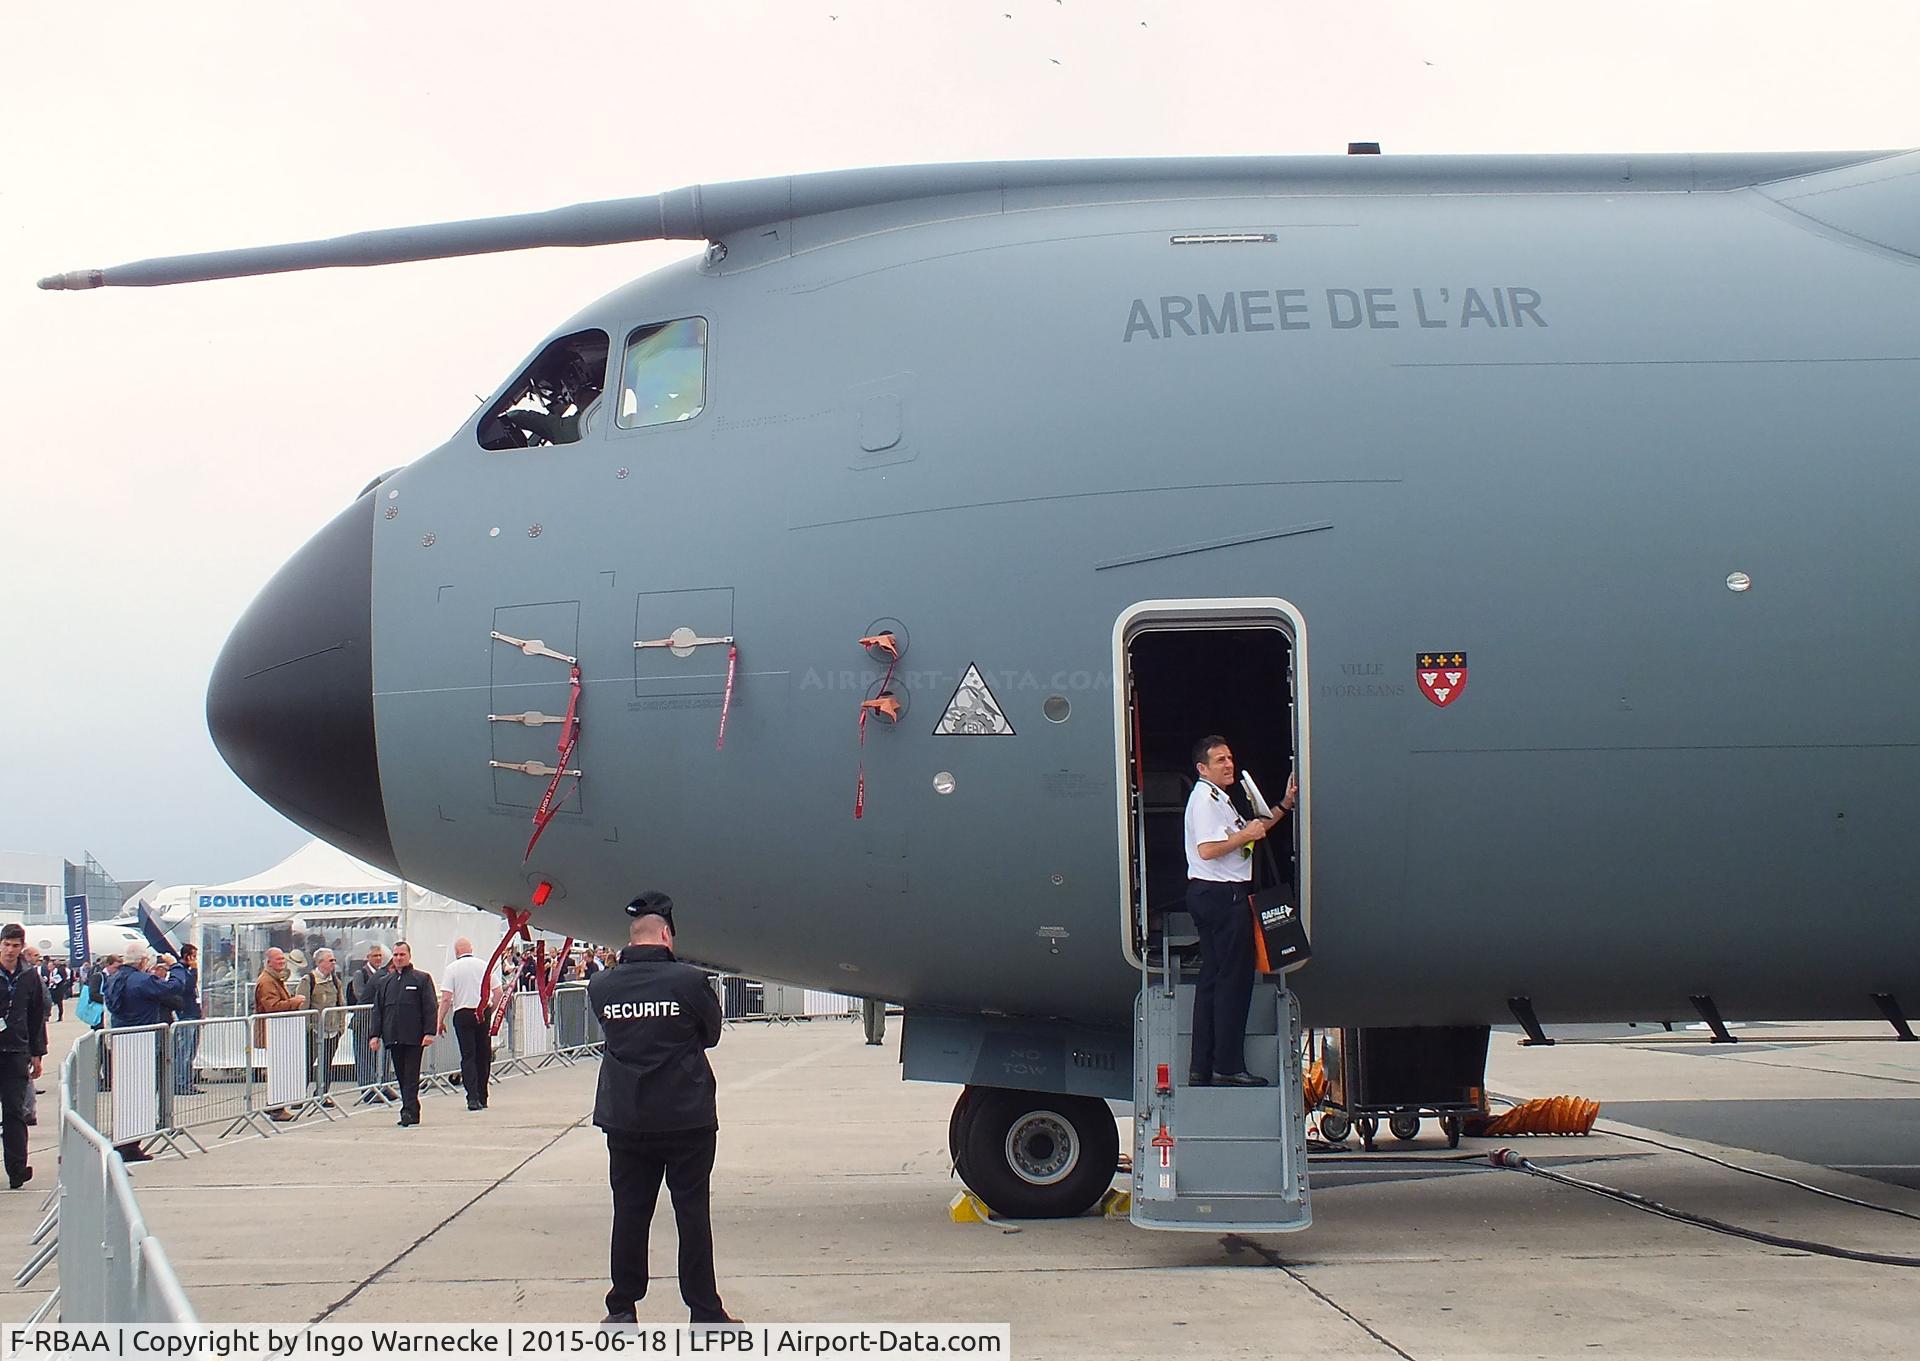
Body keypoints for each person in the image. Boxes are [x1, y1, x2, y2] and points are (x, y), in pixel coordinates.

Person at [589, 892, 737, 1327]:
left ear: (633, 937)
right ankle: (704, 1311)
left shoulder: (603, 985)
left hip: (626, 1116)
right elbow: (710, 1034)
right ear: (667, 934)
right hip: (684, 1115)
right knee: (692, 1214)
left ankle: (621, 1308)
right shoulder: (690, 982)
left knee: (630, 1213)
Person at [1183, 736, 1296, 1088]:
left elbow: (1253, 832)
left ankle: (1202, 1065)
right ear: (1203, 768)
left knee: (1213, 981)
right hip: (1222, 895)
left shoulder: (1217, 798)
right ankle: (1228, 1065)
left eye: (1230, 757)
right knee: (1234, 982)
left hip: (1212, 894)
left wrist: (1284, 806)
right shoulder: (1204, 800)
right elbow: (1208, 849)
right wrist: (1245, 833)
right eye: (1220, 760)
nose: (1228, 764)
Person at [104, 944, 188, 1162]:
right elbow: (174, 988)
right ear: (142, 960)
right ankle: (130, 1144)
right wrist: (176, 965)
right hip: (142, 1039)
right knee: (142, 1091)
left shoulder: (115, 978)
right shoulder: (141, 981)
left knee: (126, 1093)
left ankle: (126, 1140)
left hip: (122, 1038)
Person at [368, 941, 437, 1127]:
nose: (399, 958)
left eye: (402, 955)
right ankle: (410, 1109)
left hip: (414, 1036)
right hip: (393, 1036)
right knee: (401, 1075)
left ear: (409, 956)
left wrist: (430, 1032)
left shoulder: (421, 979)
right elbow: (378, 1011)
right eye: (396, 955)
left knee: (411, 1075)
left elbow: (430, 1007)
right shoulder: (385, 983)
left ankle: (408, 1111)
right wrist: (375, 1035)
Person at [0, 927, 49, 1188]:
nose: (10, 950)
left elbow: (37, 1015)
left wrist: (37, 1053)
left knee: (15, 1113)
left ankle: (17, 1170)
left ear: (22, 947)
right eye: (6, 945)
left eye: (15, 945)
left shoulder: (29, 976)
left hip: (16, 1052)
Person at [253, 947, 307, 1121]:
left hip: (278, 1031)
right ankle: (276, 1107)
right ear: (268, 962)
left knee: (279, 1068)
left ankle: (275, 1104)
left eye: (283, 960)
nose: (282, 962)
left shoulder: (275, 978)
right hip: (272, 1031)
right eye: (278, 960)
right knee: (277, 1070)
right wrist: (294, 1001)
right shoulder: (267, 981)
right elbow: (272, 1007)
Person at [438, 938, 491, 1112]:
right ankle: (483, 1095)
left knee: (468, 1056)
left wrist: (440, 1020)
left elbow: (446, 998)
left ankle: (472, 1097)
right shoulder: (483, 965)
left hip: (463, 1012)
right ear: (471, 949)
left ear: (456, 952)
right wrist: (491, 1010)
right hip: (482, 1011)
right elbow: (498, 991)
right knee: (483, 1055)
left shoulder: (452, 969)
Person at [299, 948, 347, 1106]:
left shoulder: (335, 980)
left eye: (334, 960)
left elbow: (340, 1003)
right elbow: (303, 1006)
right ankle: (298, 1096)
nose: (334, 963)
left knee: (327, 1064)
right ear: (319, 962)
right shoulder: (309, 980)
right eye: (330, 960)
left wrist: (341, 1027)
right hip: (314, 1030)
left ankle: (322, 1094)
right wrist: (306, 1028)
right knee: (306, 1064)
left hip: (332, 1031)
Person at [348, 944, 394, 1103]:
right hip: (364, 1020)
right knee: (365, 1055)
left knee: (383, 1055)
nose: (378, 959)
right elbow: (359, 994)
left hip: (378, 1019)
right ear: (367, 957)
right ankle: (368, 1089)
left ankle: (384, 1085)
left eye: (380, 956)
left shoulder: (382, 973)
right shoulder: (361, 974)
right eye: (375, 956)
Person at [171, 944, 203, 1096]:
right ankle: (180, 1082)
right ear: (187, 956)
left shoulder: (188, 971)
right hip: (185, 1014)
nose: (195, 959)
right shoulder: (179, 970)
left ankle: (188, 1081)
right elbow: (188, 986)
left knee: (191, 1052)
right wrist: (195, 970)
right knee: (184, 1051)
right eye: (194, 956)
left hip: (194, 1013)